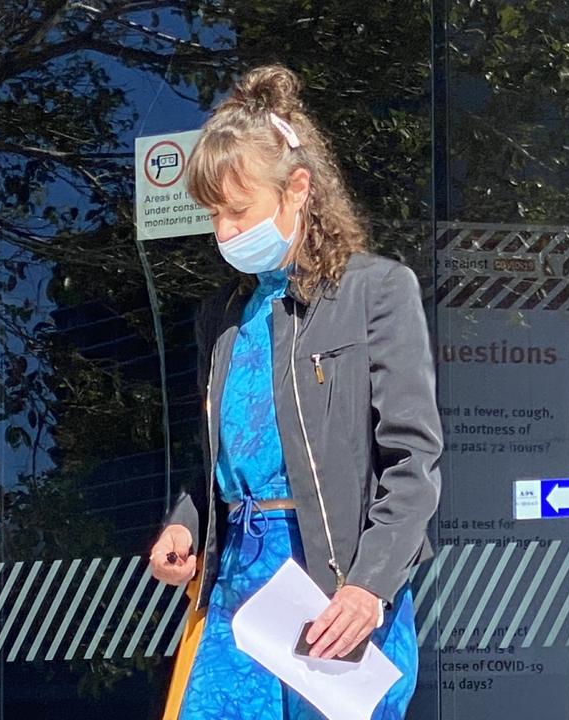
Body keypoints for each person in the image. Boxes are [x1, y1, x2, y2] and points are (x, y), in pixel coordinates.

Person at [150, 63, 442, 720]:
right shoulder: (222, 315)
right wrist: (185, 522)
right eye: (213, 215)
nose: (224, 232)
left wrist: (370, 586)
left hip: (336, 588)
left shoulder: (375, 292)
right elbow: (218, 458)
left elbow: (412, 463)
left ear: (298, 188)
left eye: (238, 210)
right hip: (235, 587)